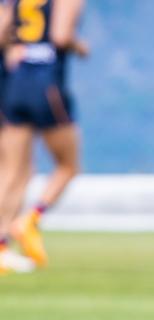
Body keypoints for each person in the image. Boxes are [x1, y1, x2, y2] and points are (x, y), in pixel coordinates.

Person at [0, 0, 88, 272]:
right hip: (46, 83)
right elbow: (61, 36)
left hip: (15, 83)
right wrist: (80, 47)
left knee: (14, 171)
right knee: (68, 165)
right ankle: (29, 220)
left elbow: (2, 32)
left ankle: (1, 247)